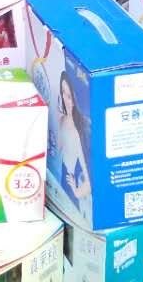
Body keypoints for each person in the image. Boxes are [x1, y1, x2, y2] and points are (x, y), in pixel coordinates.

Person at [58, 70, 92, 222]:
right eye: (63, 92)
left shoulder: (80, 132)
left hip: (69, 182)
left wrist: (75, 190)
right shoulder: (62, 119)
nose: (65, 99)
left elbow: (89, 183)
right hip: (60, 176)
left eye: (69, 96)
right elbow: (59, 148)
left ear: (75, 99)